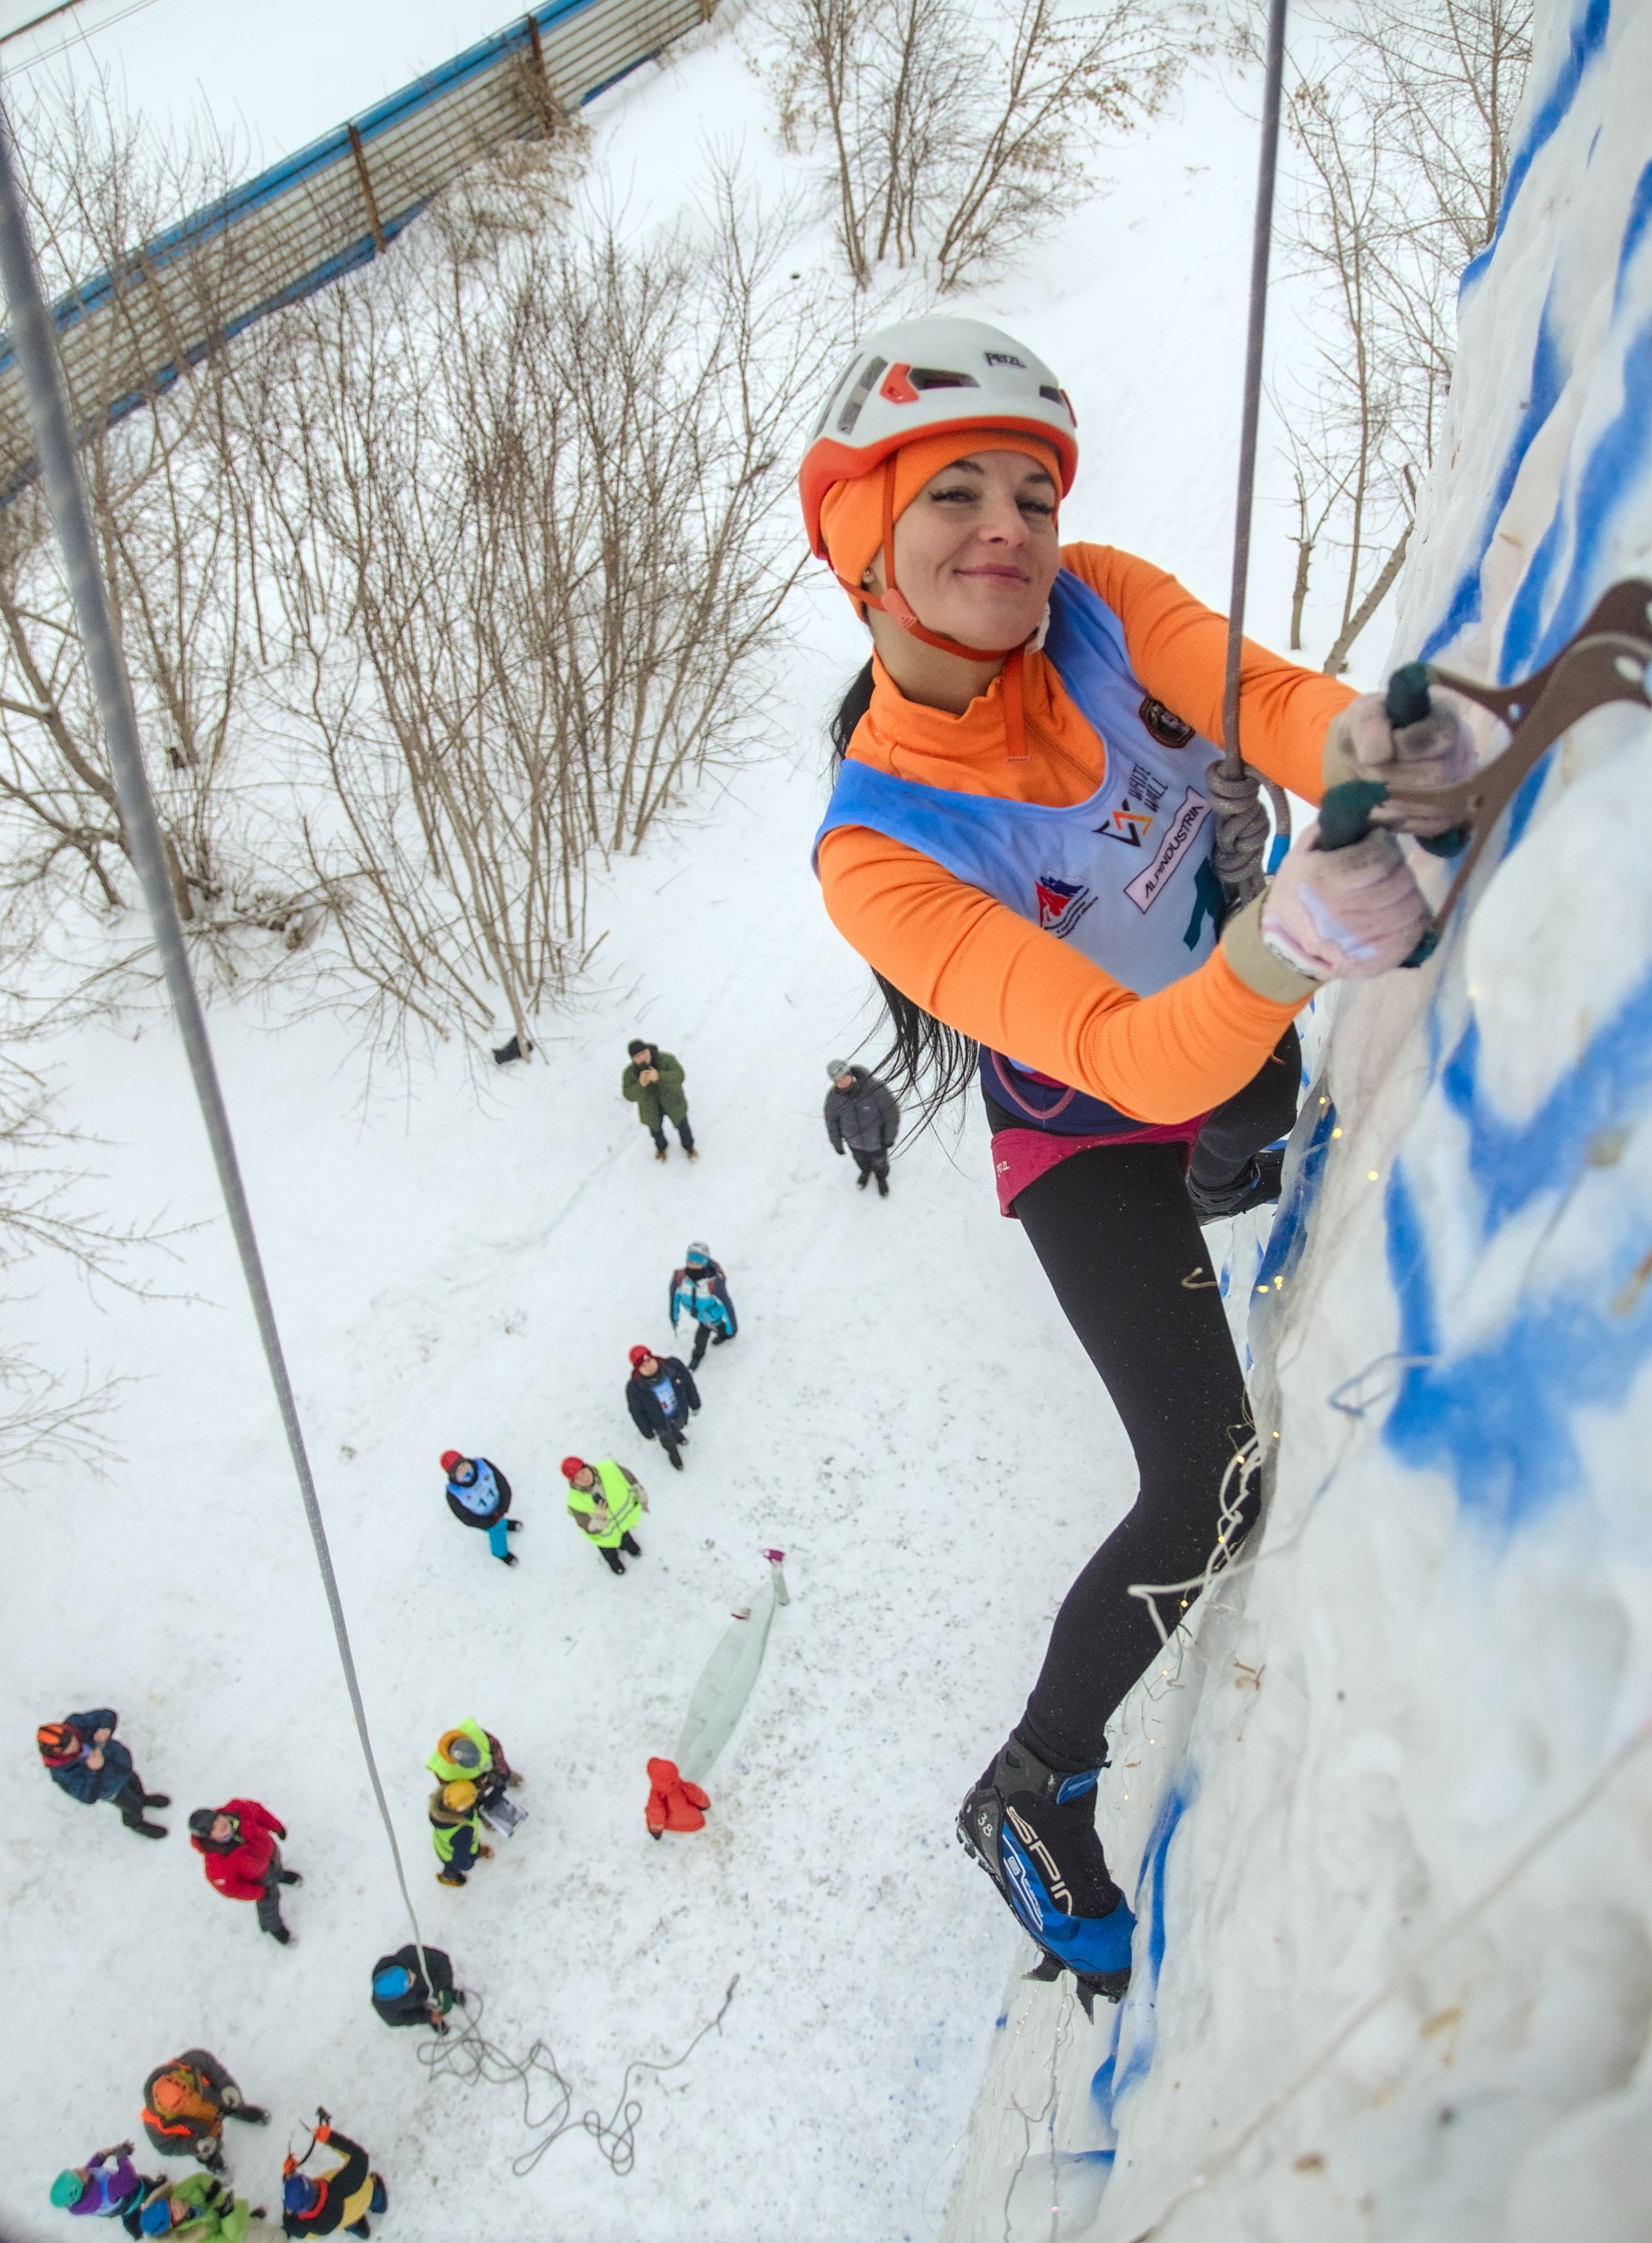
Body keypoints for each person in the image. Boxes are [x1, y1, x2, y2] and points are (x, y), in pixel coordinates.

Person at [803, 314, 1451, 2004]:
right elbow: (1113, 1054)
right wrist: (1288, 936)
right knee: (1209, 1479)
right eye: (955, 495)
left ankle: (1243, 1170)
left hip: (1230, 1031)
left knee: (1271, 1149)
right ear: (860, 543)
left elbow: (1276, 700)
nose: (1011, 528)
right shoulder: (878, 847)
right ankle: (1033, 1778)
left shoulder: (1096, 603)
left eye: (1033, 491)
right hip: (1090, 1129)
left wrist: (1371, 759)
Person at [38, 1710, 168, 1840]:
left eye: (72, 1738)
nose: (75, 1744)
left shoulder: (75, 1724)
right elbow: (87, 1797)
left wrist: (106, 1728)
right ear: (56, 1754)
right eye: (68, 1748)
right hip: (112, 1790)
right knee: (132, 1807)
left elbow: (107, 1715)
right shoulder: (62, 1773)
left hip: (122, 1766)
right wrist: (94, 1771)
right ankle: (135, 1823)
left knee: (136, 1784)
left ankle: (143, 1799)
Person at [187, 1800, 301, 1947]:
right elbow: (231, 1889)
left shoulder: (238, 1809)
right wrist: (258, 1893)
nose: (221, 1824)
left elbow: (259, 1812)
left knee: (277, 1867)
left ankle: (280, 1875)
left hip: (271, 1855)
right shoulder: (217, 1865)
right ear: (207, 1837)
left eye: (217, 1819)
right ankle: (273, 1926)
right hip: (260, 1880)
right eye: (213, 1828)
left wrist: (276, 1826)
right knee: (269, 1903)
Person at [140, 2053, 268, 2172]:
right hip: (200, 2135)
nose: (188, 2103)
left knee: (235, 2104)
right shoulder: (153, 2123)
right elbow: (167, 2147)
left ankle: (244, 2113)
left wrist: (227, 2087)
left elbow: (217, 2073)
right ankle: (217, 2167)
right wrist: (194, 2146)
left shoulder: (192, 2063)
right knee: (209, 2154)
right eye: (180, 2105)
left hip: (219, 2102)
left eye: (187, 2091)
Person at [281, 2112, 388, 2238]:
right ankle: (380, 2204)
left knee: (348, 2221)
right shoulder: (341, 2185)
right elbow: (360, 2157)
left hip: (345, 2220)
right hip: (364, 2197)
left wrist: (288, 2176)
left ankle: (358, 2228)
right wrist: (330, 2138)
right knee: (372, 2192)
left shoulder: (308, 2226)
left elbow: (294, 2226)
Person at [823, 1060, 902, 1195]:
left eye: (844, 1077)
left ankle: (881, 1178)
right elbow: (832, 1124)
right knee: (861, 1161)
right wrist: (837, 1144)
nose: (843, 1082)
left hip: (877, 1141)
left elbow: (891, 1115)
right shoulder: (833, 1099)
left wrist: (889, 1137)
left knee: (880, 1163)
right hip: (854, 1143)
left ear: (850, 1074)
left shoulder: (874, 1089)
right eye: (838, 1080)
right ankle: (866, 1172)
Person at [561, 1455, 648, 1573]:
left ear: (587, 1466)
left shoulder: (610, 1469)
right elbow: (588, 1527)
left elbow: (631, 1481)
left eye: (583, 1472)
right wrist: (600, 1518)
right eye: (578, 1478)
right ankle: (613, 1560)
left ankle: (627, 1544)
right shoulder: (575, 1502)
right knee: (608, 1551)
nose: (584, 1479)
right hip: (605, 1537)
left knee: (625, 1536)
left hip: (622, 1524)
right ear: (573, 1482)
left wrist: (642, 1496)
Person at [50, 2144, 162, 2233]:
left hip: (115, 2207)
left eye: (75, 2171)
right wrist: (122, 2157)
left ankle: (136, 2231)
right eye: (78, 2174)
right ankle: (160, 2190)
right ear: (82, 2188)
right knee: (148, 2187)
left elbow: (92, 2167)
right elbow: (129, 2181)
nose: (80, 2169)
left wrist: (103, 2154)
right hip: (134, 2195)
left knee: (129, 2216)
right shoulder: (109, 2189)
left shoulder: (82, 2198)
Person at [624, 1345, 700, 1471]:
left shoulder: (673, 1367)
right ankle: (673, 1452)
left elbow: (689, 1385)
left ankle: (678, 1435)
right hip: (659, 1423)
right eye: (643, 1366)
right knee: (667, 1439)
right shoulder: (635, 1388)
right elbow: (636, 1412)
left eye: (650, 1361)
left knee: (678, 1425)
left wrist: (695, 1404)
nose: (649, 1367)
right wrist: (647, 1432)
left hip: (678, 1412)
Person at [440, 1449, 520, 1566]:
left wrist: (504, 1506)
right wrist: (487, 1523)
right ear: (453, 1475)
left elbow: (502, 1483)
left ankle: (504, 1524)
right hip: (486, 1520)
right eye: (458, 1471)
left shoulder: (484, 1466)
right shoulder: (453, 1494)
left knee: (500, 1522)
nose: (464, 1470)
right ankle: (500, 1553)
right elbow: (465, 1517)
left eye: (463, 1465)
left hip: (499, 1507)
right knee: (497, 1533)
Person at [424, 1720, 522, 1815]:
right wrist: (477, 1792)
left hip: (488, 1765)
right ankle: (480, 1811)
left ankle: (508, 1777)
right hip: (467, 1780)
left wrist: (503, 1773)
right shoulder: (446, 1773)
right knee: (471, 1799)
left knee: (503, 1773)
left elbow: (497, 1753)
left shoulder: (479, 1736)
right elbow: (458, 1792)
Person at [623, 1040, 697, 1162]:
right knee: (656, 1132)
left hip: (673, 1102)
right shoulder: (629, 1074)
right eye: (637, 1057)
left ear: (648, 1050)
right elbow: (628, 1095)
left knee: (683, 1126)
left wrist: (659, 1077)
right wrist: (640, 1086)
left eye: (643, 1053)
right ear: (633, 1060)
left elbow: (680, 1076)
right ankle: (661, 1148)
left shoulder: (666, 1059)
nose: (642, 1058)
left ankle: (689, 1147)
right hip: (650, 1109)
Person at [668, 1241, 738, 1369]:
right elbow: (674, 1300)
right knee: (700, 1340)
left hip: (716, 1317)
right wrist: (674, 1318)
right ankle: (697, 1357)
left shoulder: (714, 1284)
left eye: (698, 1263)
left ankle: (724, 1336)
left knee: (723, 1330)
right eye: (691, 1262)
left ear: (704, 1263)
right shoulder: (679, 1279)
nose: (694, 1266)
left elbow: (726, 1305)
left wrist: (732, 1328)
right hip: (702, 1318)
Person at [370, 1942, 464, 2033]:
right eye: (409, 1982)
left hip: (430, 1981)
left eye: (408, 1972)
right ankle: (431, 2014)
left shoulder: (410, 1955)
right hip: (416, 2003)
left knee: (439, 1985)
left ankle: (448, 1993)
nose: (413, 1976)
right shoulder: (385, 2008)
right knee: (417, 2006)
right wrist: (427, 2017)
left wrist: (445, 1989)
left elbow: (442, 1960)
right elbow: (400, 2019)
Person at [134, 2174, 261, 2240]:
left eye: (172, 2203)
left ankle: (248, 2218)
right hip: (237, 2233)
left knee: (242, 2216)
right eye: (175, 2212)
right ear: (173, 2225)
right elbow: (231, 2240)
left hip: (231, 2210)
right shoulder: (193, 2237)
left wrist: (210, 2187)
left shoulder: (179, 2194)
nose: (179, 2205)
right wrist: (227, 2215)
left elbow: (198, 2179)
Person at [429, 1780, 491, 1888]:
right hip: (449, 1855)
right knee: (451, 1868)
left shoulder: (442, 1805)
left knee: (467, 1847)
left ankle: (476, 1851)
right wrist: (471, 1861)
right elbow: (461, 1862)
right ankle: (446, 1878)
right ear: (461, 1809)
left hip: (444, 1842)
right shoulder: (463, 1832)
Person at [645, 1757, 710, 1840]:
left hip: (673, 1825)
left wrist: (655, 1832)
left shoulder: (656, 1797)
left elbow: (656, 1815)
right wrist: (705, 1806)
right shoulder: (687, 1787)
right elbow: (699, 1798)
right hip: (695, 1821)